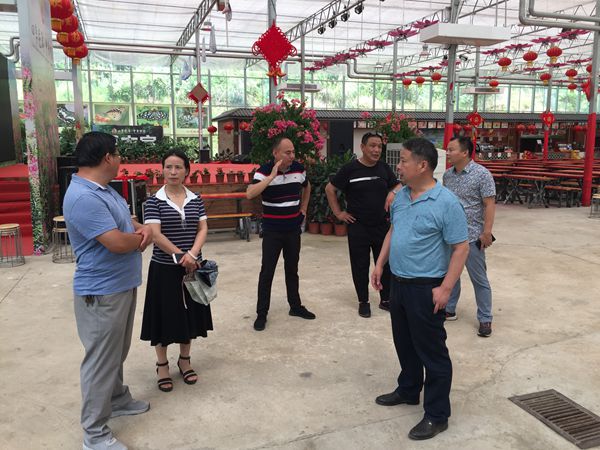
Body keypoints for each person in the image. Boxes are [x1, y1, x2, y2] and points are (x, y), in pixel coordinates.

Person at [371, 138, 469, 441]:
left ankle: (437, 415)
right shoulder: (401, 196)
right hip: (398, 283)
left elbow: (461, 248)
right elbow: (394, 230)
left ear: (422, 165)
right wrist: (380, 264)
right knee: (404, 342)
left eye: (403, 161)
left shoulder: (446, 203)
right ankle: (409, 389)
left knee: (432, 352)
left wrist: (446, 289)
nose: (398, 167)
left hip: (426, 287)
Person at [63, 131, 153, 450]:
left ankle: (116, 399)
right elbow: (115, 241)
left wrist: (139, 228)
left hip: (120, 284)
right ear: (106, 158)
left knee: (116, 353)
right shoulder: (83, 197)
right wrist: (143, 238)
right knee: (100, 361)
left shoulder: (103, 189)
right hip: (101, 291)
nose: (120, 159)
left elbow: (126, 220)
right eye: (117, 154)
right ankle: (95, 433)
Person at [141, 149, 213, 391]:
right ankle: (162, 365)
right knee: (163, 318)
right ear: (162, 170)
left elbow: (202, 228)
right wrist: (182, 256)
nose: (173, 172)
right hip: (164, 269)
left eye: (178, 167)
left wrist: (192, 255)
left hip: (193, 268)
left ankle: (185, 360)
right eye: (168, 167)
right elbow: (155, 234)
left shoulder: (196, 199)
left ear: (186, 171)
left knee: (189, 316)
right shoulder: (154, 201)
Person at [325, 132, 400, 318]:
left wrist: (392, 193)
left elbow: (397, 185)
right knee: (360, 264)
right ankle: (363, 301)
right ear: (363, 147)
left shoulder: (384, 168)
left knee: (385, 263)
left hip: (381, 225)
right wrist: (338, 213)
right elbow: (330, 189)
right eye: (372, 146)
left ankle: (385, 299)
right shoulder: (350, 169)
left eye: (379, 147)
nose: (376, 150)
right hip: (358, 226)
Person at [247, 136, 315, 331]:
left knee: (292, 269)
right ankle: (262, 313)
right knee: (267, 272)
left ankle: (295, 306)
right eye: (287, 152)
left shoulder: (299, 169)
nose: (292, 156)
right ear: (275, 153)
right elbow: (250, 193)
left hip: (293, 229)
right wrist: (271, 177)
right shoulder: (263, 171)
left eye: (293, 152)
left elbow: (307, 186)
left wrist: (303, 208)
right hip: (272, 231)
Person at [443, 136, 496, 337]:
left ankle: (485, 318)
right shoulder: (448, 175)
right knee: (451, 274)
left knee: (479, 279)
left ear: (465, 152)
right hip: (450, 235)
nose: (447, 153)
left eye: (451, 149)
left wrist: (487, 232)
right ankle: (449, 309)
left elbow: (489, 204)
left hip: (472, 236)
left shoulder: (482, 174)